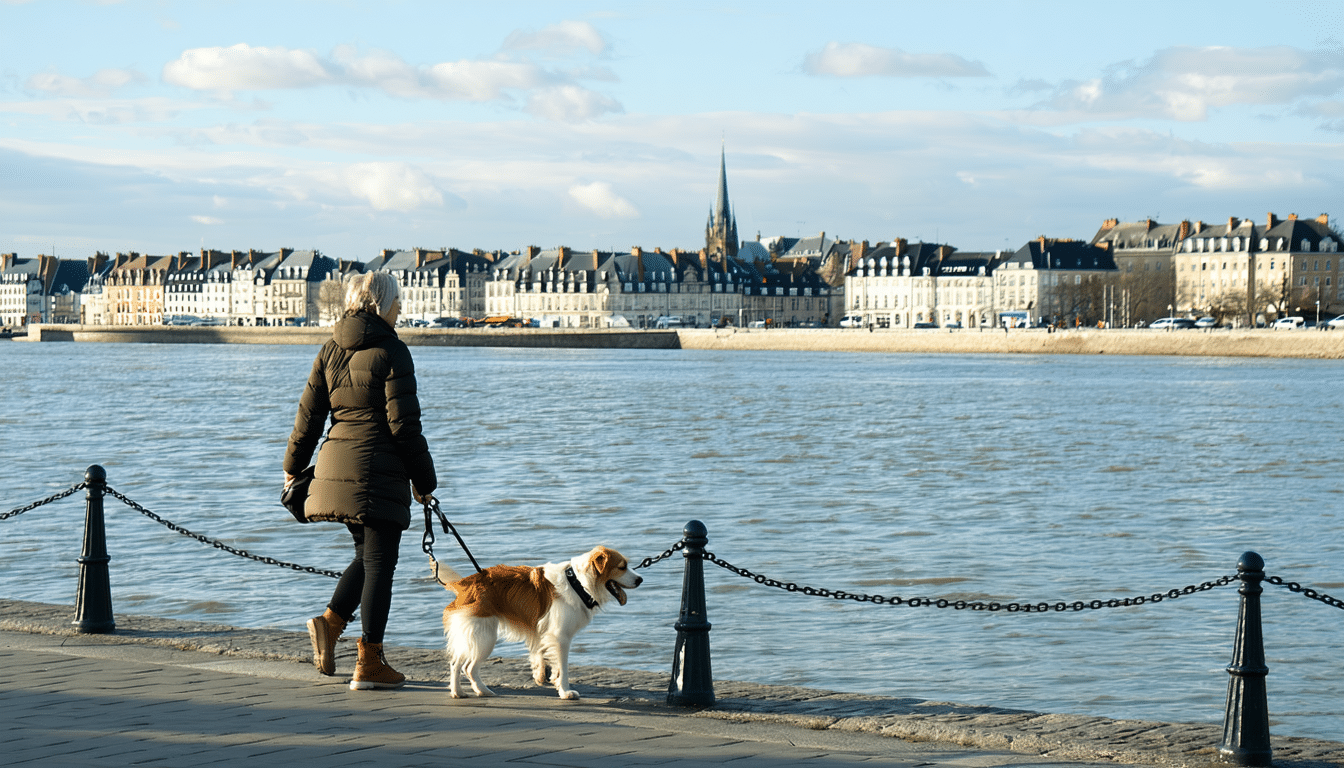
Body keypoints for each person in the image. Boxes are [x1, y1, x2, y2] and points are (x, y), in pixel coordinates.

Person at [283, 271, 437, 691]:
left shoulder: (330, 348)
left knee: (366, 557)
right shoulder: (393, 350)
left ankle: (330, 624)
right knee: (380, 565)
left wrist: (293, 465)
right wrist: (425, 481)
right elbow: (404, 426)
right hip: (379, 469)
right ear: (382, 305)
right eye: (397, 302)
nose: (401, 309)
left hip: (337, 465)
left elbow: (309, 416)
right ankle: (369, 661)